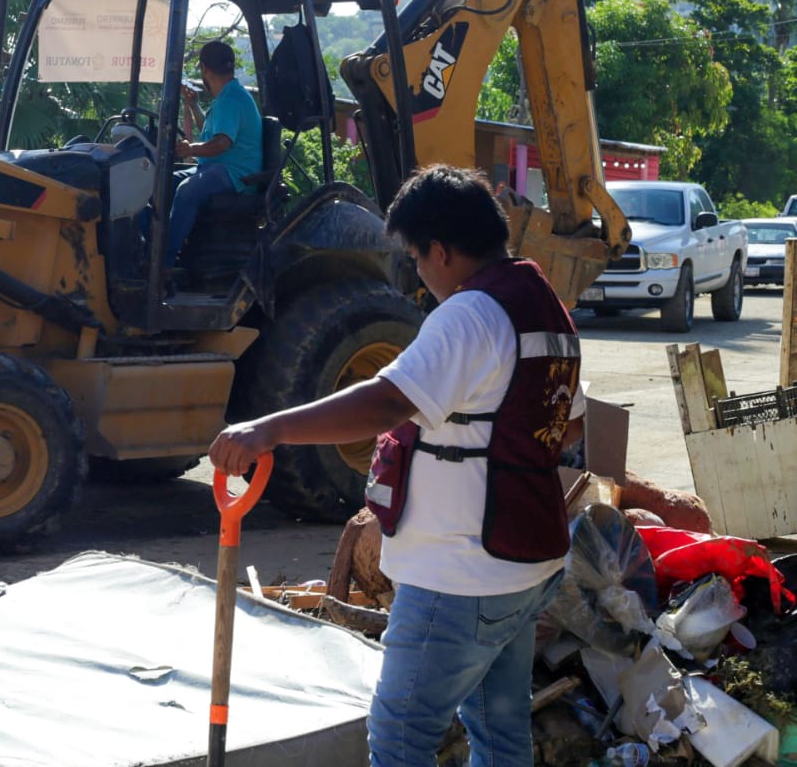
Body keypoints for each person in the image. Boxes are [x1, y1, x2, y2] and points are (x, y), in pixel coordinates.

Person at [210, 165, 584, 767]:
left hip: (460, 573)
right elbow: (572, 422)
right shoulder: (543, 307)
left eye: (415, 258)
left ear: (440, 250)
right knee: (499, 727)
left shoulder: (469, 315)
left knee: (400, 736)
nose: (418, 273)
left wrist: (269, 428)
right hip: (526, 561)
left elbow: (387, 399)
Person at [164, 39, 263, 269]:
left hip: (236, 174)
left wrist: (191, 148)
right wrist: (193, 105)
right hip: (215, 168)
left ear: (204, 69)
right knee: (164, 181)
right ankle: (160, 247)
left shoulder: (231, 99)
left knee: (187, 190)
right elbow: (210, 132)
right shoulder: (227, 97)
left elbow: (222, 143)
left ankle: (164, 263)